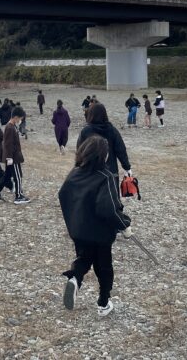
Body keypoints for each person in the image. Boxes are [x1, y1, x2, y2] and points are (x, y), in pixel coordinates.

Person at [58, 135, 132, 317]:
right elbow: (109, 208)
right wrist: (124, 224)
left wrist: (73, 221)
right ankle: (103, 303)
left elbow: (63, 194)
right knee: (104, 267)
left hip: (79, 230)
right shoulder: (106, 177)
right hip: (100, 234)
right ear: (102, 155)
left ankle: (75, 278)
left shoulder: (75, 173)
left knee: (84, 258)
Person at [76, 104, 132, 187]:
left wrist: (78, 168)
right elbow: (121, 150)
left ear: (90, 115)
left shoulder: (85, 131)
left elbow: (79, 151)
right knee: (111, 193)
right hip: (110, 171)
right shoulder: (112, 130)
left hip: (90, 172)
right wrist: (127, 167)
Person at [0, 106, 30, 204]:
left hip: (13, 156)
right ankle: (19, 196)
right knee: (18, 176)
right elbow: (8, 144)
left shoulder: (12, 126)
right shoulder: (10, 127)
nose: (20, 121)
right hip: (13, 157)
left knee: (7, 175)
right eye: (20, 119)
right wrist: (9, 157)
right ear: (16, 117)